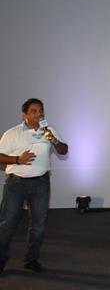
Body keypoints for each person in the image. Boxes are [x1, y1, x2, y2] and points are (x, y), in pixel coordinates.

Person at [0, 98, 68, 275]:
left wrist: (53, 140)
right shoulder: (12, 133)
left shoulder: (49, 131)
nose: (39, 115)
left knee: (38, 224)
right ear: (24, 114)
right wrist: (17, 159)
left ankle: (31, 259)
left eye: (41, 111)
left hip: (41, 183)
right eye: (34, 111)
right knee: (7, 224)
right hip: (16, 183)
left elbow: (64, 150)